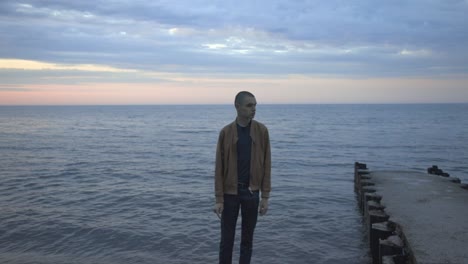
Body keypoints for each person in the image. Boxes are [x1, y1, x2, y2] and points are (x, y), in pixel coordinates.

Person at [214, 91, 271, 264]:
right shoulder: (226, 132)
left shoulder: (261, 131)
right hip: (230, 194)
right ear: (237, 107)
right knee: (227, 241)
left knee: (247, 241)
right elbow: (219, 168)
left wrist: (265, 196)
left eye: (255, 105)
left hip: (252, 193)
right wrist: (219, 199)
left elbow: (267, 163)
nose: (253, 109)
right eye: (249, 105)